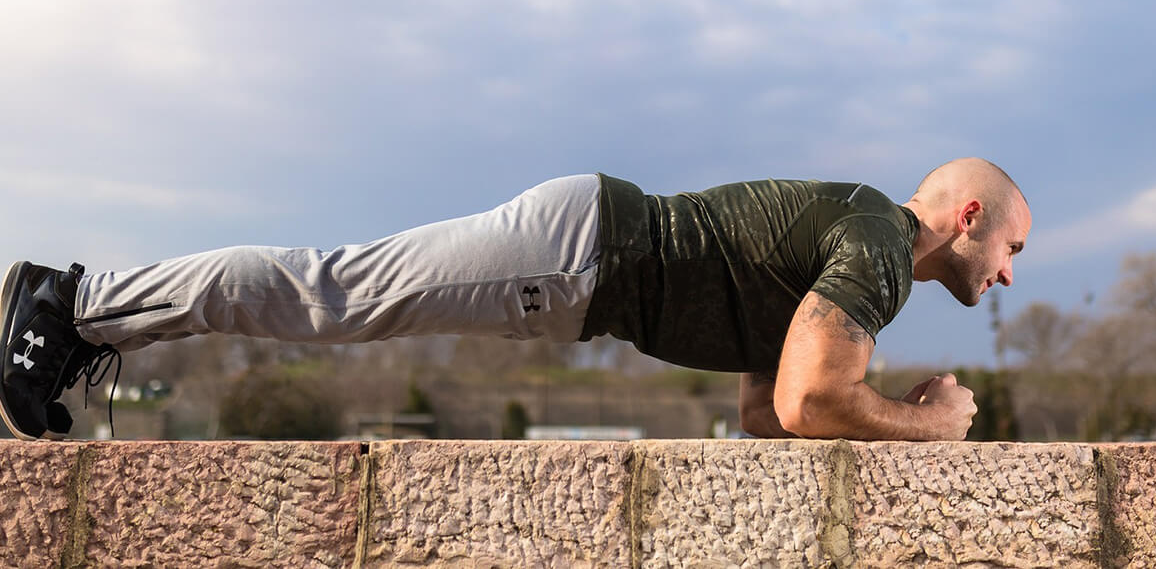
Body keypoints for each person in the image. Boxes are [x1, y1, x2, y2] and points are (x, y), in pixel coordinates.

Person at [1, 157, 1030, 442]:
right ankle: (73, 303)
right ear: (969, 215)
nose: (1010, 274)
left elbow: (770, 411)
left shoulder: (859, 245)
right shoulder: (879, 248)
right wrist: (932, 424)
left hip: (584, 256)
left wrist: (865, 407)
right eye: (1013, 248)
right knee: (333, 293)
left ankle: (79, 313)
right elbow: (811, 403)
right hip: (582, 256)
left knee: (335, 293)